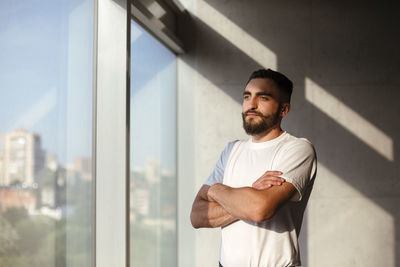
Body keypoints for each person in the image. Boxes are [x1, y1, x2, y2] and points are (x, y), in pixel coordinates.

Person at [190, 68, 317, 267]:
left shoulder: (297, 149)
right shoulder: (232, 150)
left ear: (284, 109)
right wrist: (251, 190)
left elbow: (259, 210)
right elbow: (197, 215)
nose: (252, 105)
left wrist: (214, 190)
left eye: (263, 98)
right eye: (247, 96)